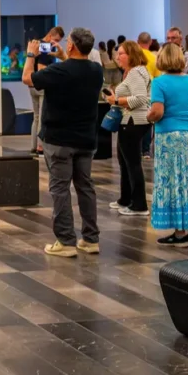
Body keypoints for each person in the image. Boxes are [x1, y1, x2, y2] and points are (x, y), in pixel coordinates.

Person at [23, 27, 103, 258]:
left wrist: (31, 55)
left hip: (59, 140)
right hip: (85, 139)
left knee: (60, 189)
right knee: (85, 187)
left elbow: (28, 78)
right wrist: (63, 57)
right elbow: (77, 70)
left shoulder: (59, 70)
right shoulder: (96, 71)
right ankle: (90, 239)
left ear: (71, 45)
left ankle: (65, 241)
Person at [149, 43, 188, 246]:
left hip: (169, 136)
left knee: (174, 179)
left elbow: (157, 111)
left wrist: (149, 117)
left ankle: (180, 232)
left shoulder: (159, 83)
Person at [107, 41, 152, 217]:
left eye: (122, 54)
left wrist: (116, 101)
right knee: (125, 161)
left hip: (134, 121)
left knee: (132, 163)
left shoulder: (135, 72)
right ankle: (126, 198)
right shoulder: (133, 72)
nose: (118, 57)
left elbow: (141, 98)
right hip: (131, 120)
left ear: (131, 54)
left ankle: (139, 204)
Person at [28, 26, 65, 157]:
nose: (56, 43)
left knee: (36, 116)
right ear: (50, 36)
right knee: (42, 117)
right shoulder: (45, 47)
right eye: (55, 40)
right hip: (42, 84)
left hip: (32, 84)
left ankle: (33, 146)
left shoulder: (36, 44)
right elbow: (42, 68)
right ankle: (40, 147)